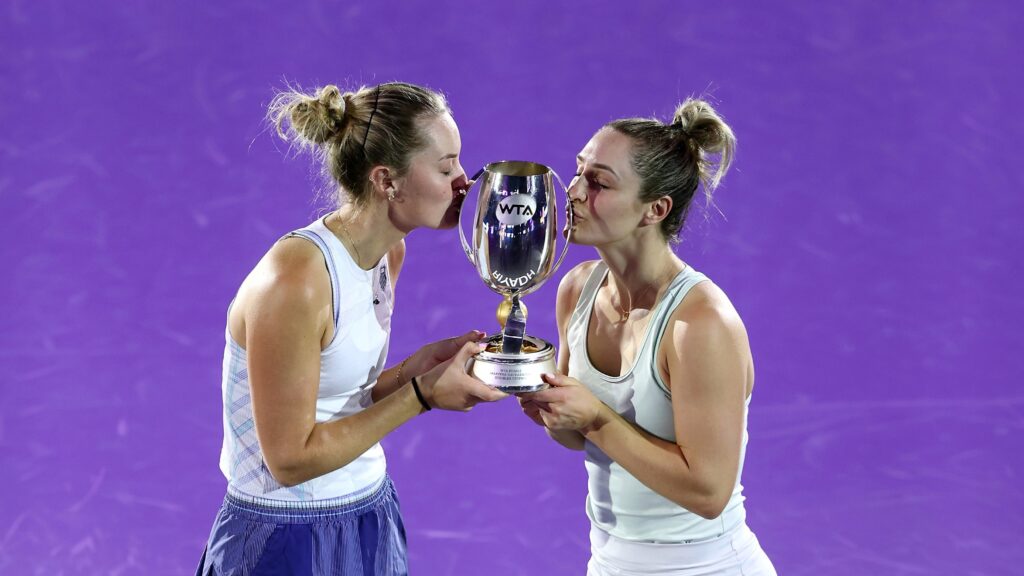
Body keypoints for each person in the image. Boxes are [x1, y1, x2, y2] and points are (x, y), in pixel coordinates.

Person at [196, 82, 506, 576]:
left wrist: (412, 371)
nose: (464, 182)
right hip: (282, 537)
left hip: (370, 516)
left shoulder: (389, 254)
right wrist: (421, 396)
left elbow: (338, 401)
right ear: (387, 180)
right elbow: (290, 459)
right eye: (445, 167)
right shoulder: (295, 282)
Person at [519, 99, 776, 575]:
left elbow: (708, 491)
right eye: (577, 172)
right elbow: (588, 443)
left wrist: (594, 417)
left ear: (654, 210)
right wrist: (558, 417)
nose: (572, 191)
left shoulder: (699, 324)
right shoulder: (576, 289)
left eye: (599, 182)